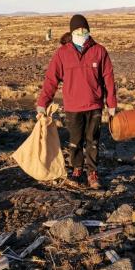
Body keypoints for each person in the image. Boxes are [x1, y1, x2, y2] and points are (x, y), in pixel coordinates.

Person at [36, 14, 117, 189]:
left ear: (88, 30)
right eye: (78, 29)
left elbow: (109, 79)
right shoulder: (62, 53)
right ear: (72, 31)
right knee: (75, 141)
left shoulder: (99, 51)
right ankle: (77, 169)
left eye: (84, 29)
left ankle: (92, 173)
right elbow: (51, 79)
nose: (82, 32)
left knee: (93, 141)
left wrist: (111, 104)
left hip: (94, 105)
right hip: (73, 106)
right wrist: (43, 102)